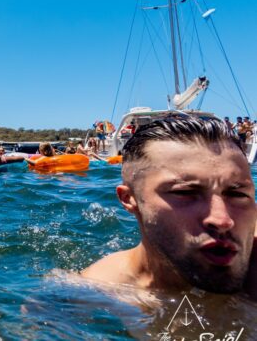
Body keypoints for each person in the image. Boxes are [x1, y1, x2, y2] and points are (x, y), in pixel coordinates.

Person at [81, 115, 257, 300]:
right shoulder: (96, 295)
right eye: (185, 193)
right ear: (129, 199)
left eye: (238, 194)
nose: (223, 221)